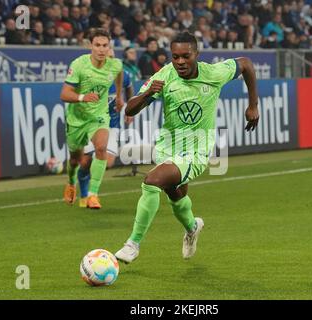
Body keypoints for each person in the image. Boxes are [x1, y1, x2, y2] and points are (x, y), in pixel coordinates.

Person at [114, 31, 259, 264]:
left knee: (151, 182)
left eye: (185, 56)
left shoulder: (213, 73)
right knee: (176, 196)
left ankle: (132, 244)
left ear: (196, 55)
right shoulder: (164, 76)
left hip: (196, 151)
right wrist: (149, 93)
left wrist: (253, 105)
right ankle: (192, 228)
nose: (180, 62)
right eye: (175, 57)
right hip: (167, 148)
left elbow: (246, 64)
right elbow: (130, 110)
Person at [60, 28, 123, 209]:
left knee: (101, 148)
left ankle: (93, 195)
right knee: (75, 160)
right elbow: (64, 93)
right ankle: (71, 182)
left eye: (105, 45)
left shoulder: (115, 64)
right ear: (90, 46)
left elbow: (119, 74)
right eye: (98, 45)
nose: (102, 49)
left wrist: (118, 96)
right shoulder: (79, 65)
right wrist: (82, 97)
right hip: (77, 118)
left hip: (99, 116)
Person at [77, 48, 135, 208]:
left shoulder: (122, 74)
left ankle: (92, 194)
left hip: (112, 124)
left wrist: (130, 109)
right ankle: (84, 193)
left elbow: (130, 89)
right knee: (85, 162)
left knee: (108, 161)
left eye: (112, 57)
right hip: (91, 122)